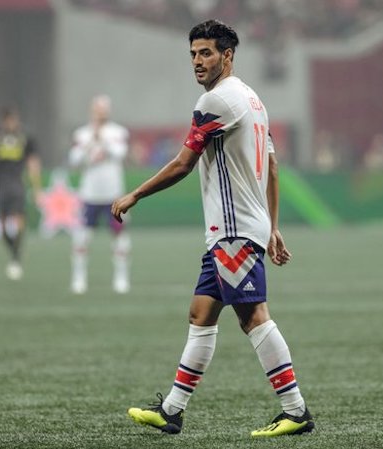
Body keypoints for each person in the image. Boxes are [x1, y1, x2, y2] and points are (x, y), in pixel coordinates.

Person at [111, 19, 314, 438]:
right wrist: (272, 226)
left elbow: (183, 163)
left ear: (228, 55)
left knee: (253, 317)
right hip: (238, 229)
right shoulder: (253, 101)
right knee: (201, 314)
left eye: (206, 53)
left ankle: (296, 411)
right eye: (193, 54)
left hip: (234, 230)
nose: (197, 61)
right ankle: (172, 411)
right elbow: (272, 165)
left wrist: (135, 194)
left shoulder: (217, 101)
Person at [69, 95, 131, 294]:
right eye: (97, 109)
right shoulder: (82, 134)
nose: (100, 112)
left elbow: (120, 153)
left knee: (119, 237)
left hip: (114, 194)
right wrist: (90, 142)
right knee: (82, 238)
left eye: (103, 109)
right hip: (90, 195)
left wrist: (102, 140)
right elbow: (74, 160)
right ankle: (79, 278)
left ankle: (121, 277)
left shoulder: (118, 132)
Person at [0, 106, 42, 280]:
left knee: (19, 220)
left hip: (17, 183)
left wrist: (36, 187)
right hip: (1, 185)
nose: (11, 123)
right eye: (8, 120)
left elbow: (33, 163)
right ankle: (14, 250)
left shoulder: (25, 138)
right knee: (2, 226)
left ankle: (16, 258)